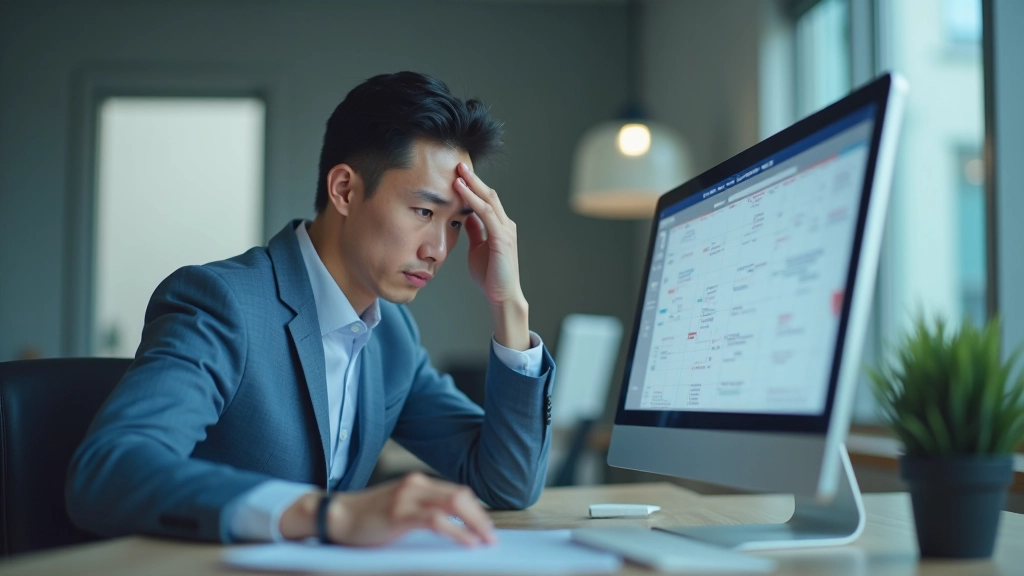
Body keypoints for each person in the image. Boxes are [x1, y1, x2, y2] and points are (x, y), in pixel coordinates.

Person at [66, 72, 555, 548]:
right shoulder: (222, 303)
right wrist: (331, 515)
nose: (438, 250)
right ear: (344, 190)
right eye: (424, 212)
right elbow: (108, 470)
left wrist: (508, 304)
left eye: (455, 223)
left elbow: (509, 483)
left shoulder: (392, 335)